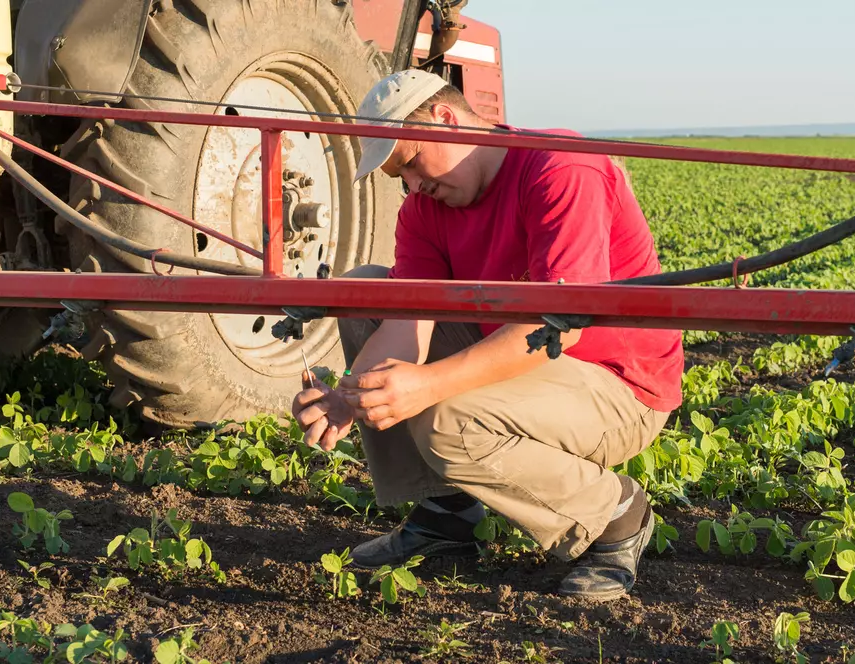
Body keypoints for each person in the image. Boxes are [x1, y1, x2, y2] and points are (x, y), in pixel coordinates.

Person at [290, 69, 683, 602]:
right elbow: (407, 321)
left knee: (445, 417)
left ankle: (614, 516)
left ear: (446, 121)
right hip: (524, 364)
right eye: (398, 178)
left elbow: (557, 332)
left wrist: (427, 388)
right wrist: (348, 395)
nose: (412, 186)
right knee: (365, 293)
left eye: (410, 163)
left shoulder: (561, 169)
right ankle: (447, 512)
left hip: (615, 385)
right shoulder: (427, 207)